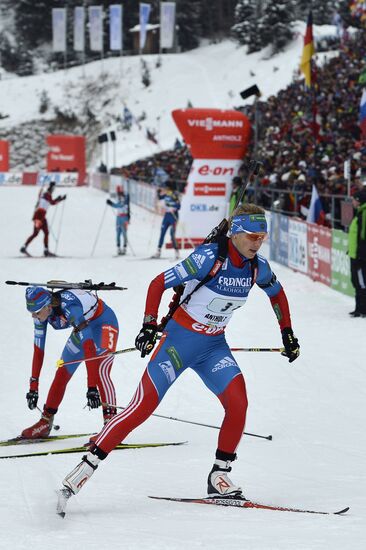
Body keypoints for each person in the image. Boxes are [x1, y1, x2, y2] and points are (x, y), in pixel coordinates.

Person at [57, 203, 300, 513]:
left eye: (262, 237)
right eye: (252, 235)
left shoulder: (257, 267)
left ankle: (220, 476)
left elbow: (276, 293)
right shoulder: (209, 257)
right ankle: (85, 468)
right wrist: (148, 324)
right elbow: (158, 283)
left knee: (238, 403)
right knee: (141, 408)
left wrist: (287, 333)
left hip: (213, 347)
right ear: (236, 233)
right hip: (178, 344)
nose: (257, 242)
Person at [21, 286, 119, 439]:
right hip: (83, 327)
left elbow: (89, 348)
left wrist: (91, 387)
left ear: (48, 306)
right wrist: (33, 387)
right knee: (63, 371)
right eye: (32, 312)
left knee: (100, 372)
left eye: (37, 312)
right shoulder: (42, 313)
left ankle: (111, 426)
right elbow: (38, 350)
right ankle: (46, 422)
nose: (34, 316)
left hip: (103, 323)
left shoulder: (71, 309)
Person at [20, 182, 66, 257]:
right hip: (39, 216)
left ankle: (45, 250)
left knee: (46, 233)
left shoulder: (45, 194)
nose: (54, 190)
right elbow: (52, 202)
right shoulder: (47, 194)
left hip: (41, 216)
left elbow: (49, 201)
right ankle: (24, 247)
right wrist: (60, 199)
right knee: (35, 233)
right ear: (51, 188)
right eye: (53, 188)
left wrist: (59, 199)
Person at [348, 188, 366, 317]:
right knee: (356, 282)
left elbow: (363, 236)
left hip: (360, 256)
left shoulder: (363, 214)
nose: (352, 202)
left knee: (361, 282)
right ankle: (358, 308)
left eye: (354, 199)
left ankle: (362, 309)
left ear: (359, 201)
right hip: (355, 254)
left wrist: (360, 254)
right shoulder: (359, 213)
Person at [153, 181, 181, 259]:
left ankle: (176, 252)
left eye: (166, 187)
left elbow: (178, 206)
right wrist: (158, 192)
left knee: (172, 235)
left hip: (173, 216)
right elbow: (160, 197)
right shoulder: (166, 194)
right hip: (167, 216)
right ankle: (158, 251)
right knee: (162, 233)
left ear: (169, 187)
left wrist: (171, 205)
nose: (164, 188)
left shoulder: (174, 194)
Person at [106, 186, 130, 256]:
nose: (118, 194)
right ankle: (118, 247)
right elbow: (116, 202)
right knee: (118, 233)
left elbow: (119, 205)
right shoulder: (119, 197)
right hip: (118, 217)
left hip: (124, 217)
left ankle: (124, 248)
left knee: (124, 233)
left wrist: (111, 204)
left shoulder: (125, 198)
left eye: (119, 192)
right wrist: (109, 202)